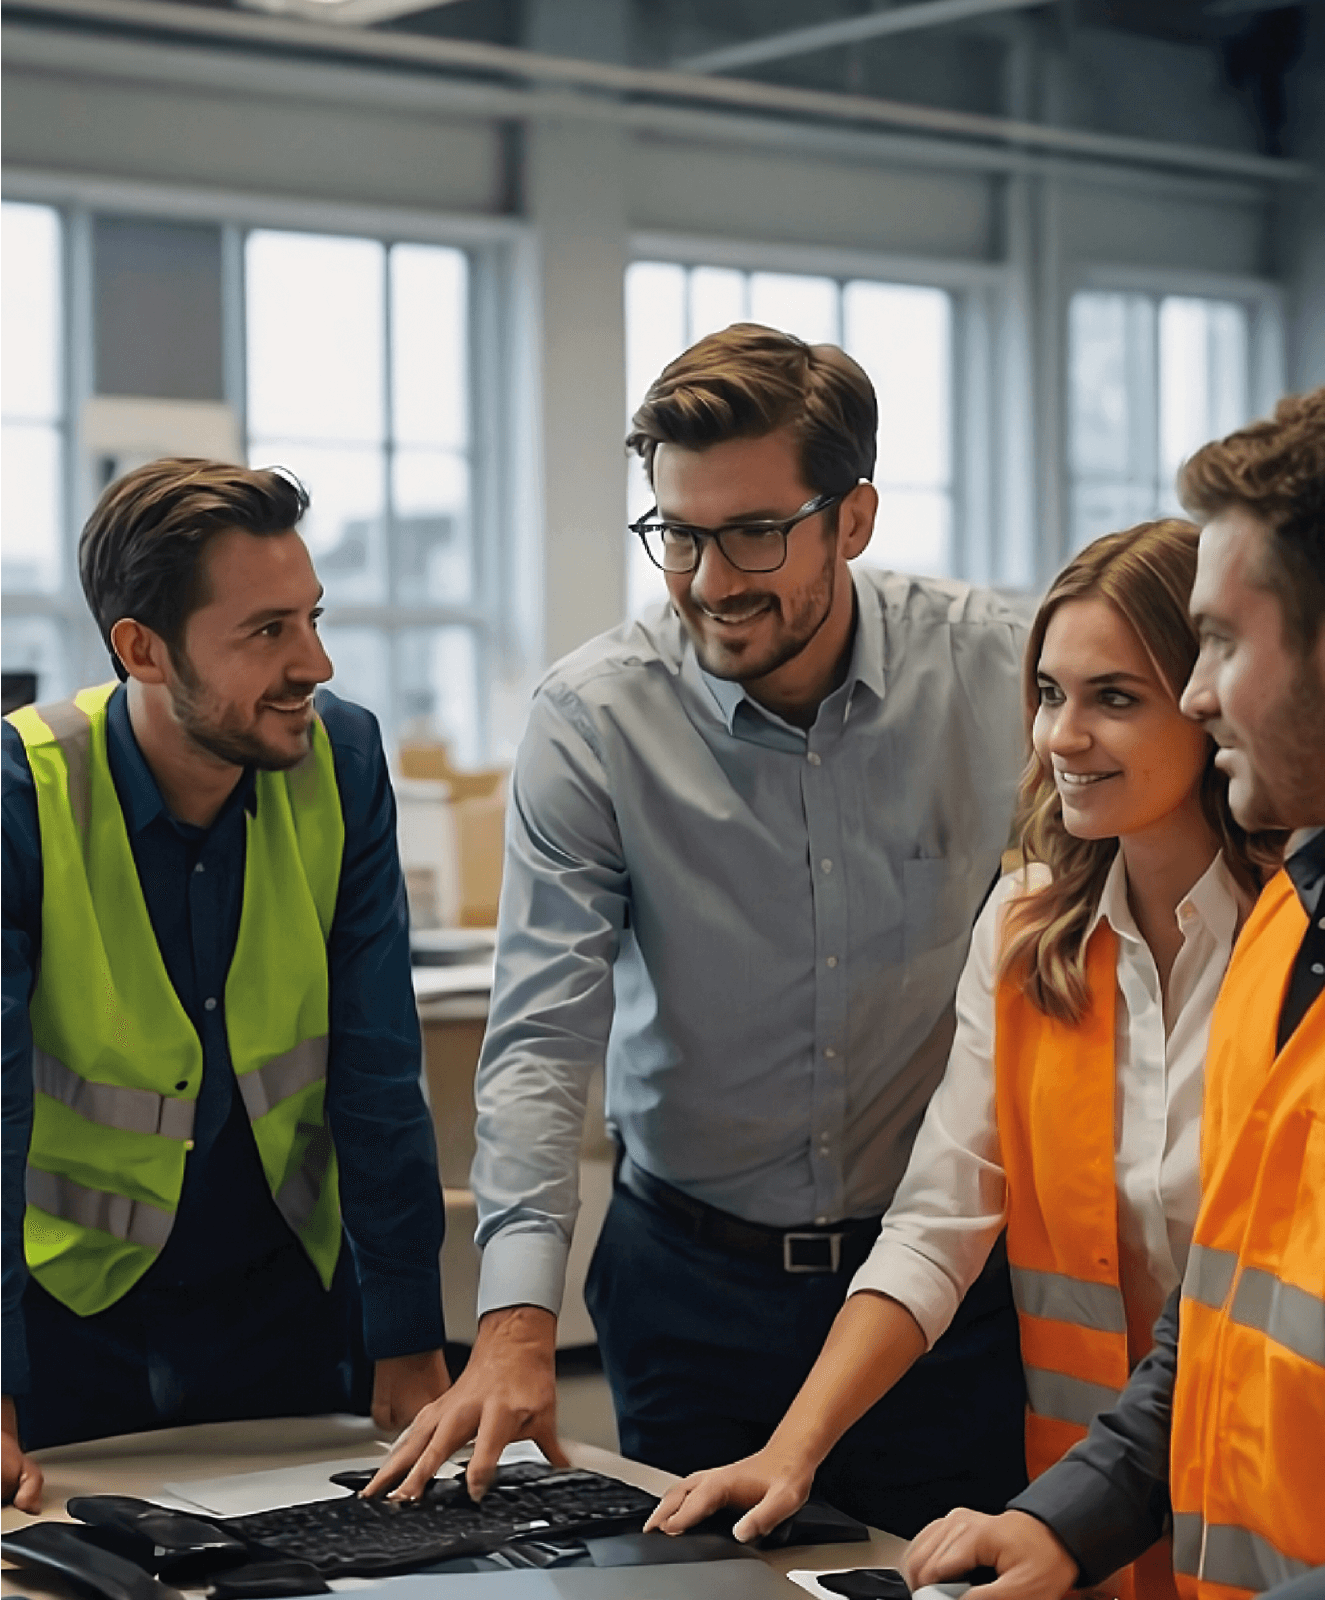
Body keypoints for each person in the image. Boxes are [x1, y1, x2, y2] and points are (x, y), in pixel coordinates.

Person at [901, 373, 1325, 1599]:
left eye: (1221, 639)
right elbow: (1222, 1317)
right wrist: (1068, 1520)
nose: (1196, 690)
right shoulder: (1299, 917)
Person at [368, 324, 1030, 1536]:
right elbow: (539, 1039)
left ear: (856, 516)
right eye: (677, 533)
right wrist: (513, 1322)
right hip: (691, 1288)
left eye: (755, 532)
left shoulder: (998, 674)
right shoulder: (594, 719)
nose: (712, 578)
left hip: (939, 1289)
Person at [649, 519, 1279, 1599]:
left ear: (1206, 699)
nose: (1059, 737)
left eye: (1113, 698)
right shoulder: (1029, 931)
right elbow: (937, 1223)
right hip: (1081, 1511)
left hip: (1270, 1502)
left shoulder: (1303, 938)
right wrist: (791, 1449)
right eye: (1046, 693)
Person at [1, 459, 449, 1513]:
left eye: (312, 618)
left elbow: (378, 1066)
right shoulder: (25, 796)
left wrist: (408, 1333)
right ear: (141, 649)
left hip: (287, 1299)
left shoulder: (342, 759)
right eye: (266, 632)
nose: (315, 661)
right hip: (70, 1312)